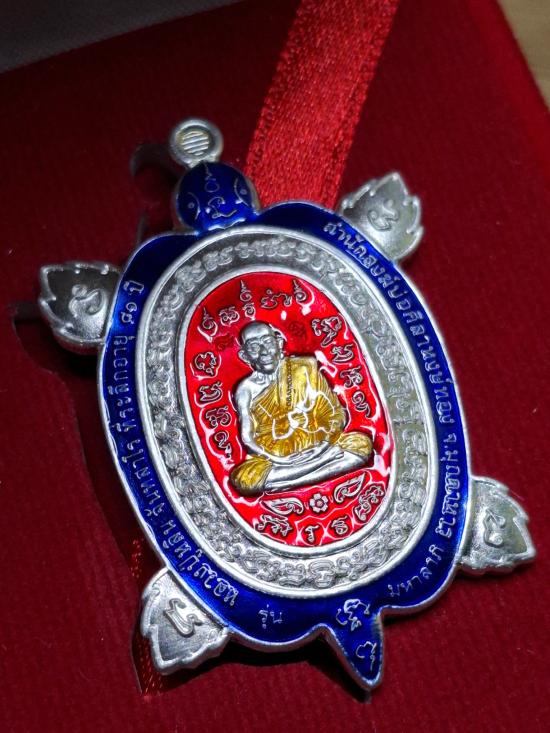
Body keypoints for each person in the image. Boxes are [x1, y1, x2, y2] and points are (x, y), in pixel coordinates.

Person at [230, 321, 373, 495]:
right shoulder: (245, 389)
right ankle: (319, 466)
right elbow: (247, 438)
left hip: (318, 442)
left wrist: (323, 445)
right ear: (244, 356)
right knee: (245, 480)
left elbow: (335, 413)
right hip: (275, 455)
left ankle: (293, 480)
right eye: (254, 347)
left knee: (361, 444)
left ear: (279, 343)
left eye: (267, 342)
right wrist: (279, 460)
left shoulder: (304, 368)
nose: (264, 352)